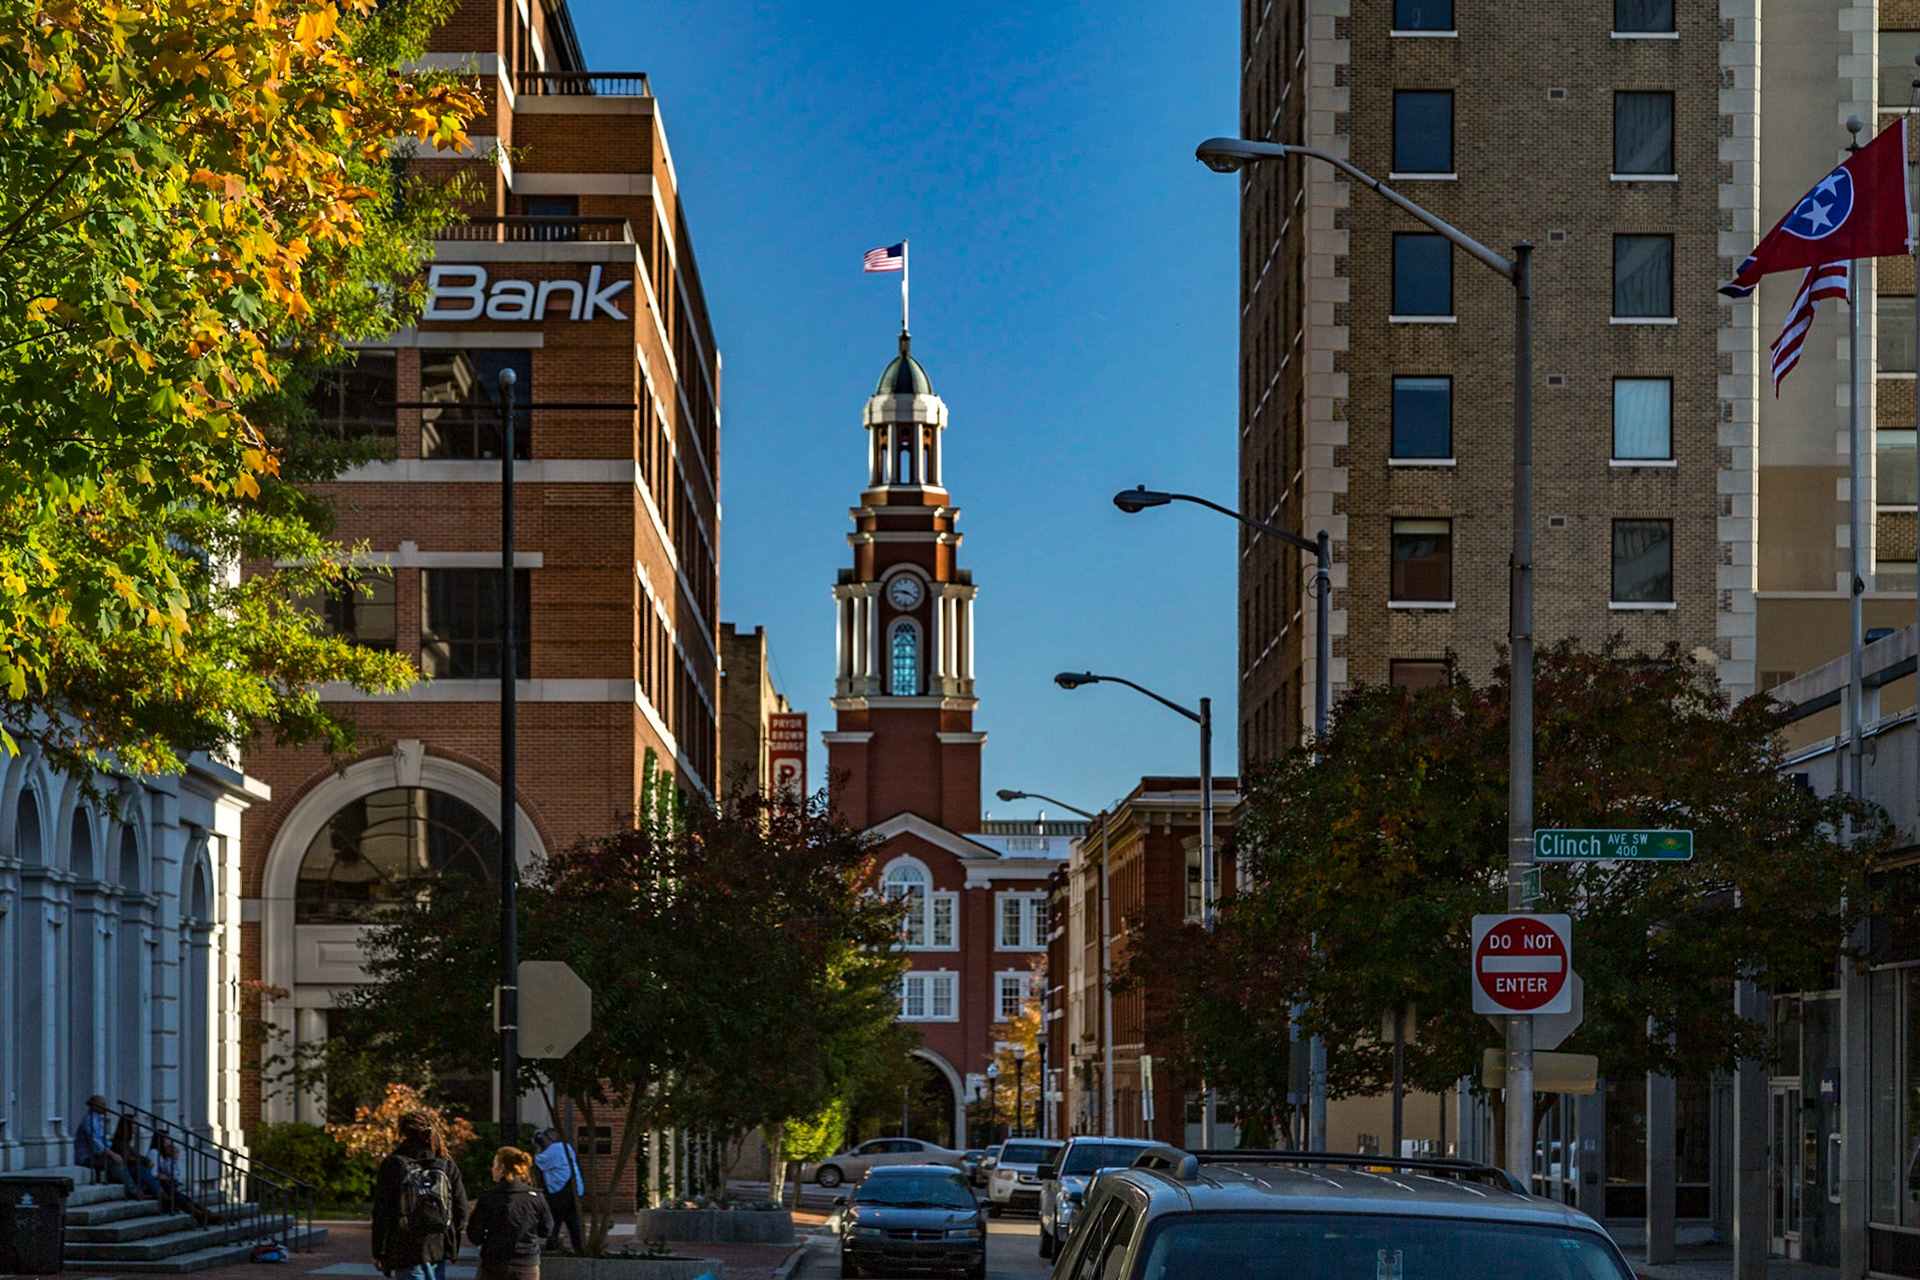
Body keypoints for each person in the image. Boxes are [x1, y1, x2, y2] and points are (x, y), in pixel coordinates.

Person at [371, 1111, 470, 1280]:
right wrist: (450, 1235)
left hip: (404, 1246)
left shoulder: (394, 1164)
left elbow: (382, 1211)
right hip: (438, 1245)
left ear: (403, 1132)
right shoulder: (445, 1165)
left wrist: (379, 1250)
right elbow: (461, 1209)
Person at [465, 1147, 553, 1280]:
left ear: (501, 1168)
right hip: (527, 1263)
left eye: (494, 1165)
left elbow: (474, 1234)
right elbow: (545, 1229)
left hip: (494, 1262)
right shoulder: (535, 1197)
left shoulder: (489, 1197)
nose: (492, 1169)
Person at [73, 1096, 141, 1199]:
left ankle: (135, 1188)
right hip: (86, 1157)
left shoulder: (97, 1120)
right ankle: (133, 1191)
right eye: (103, 1104)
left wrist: (115, 1149)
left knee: (121, 1158)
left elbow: (103, 1141)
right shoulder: (90, 1121)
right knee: (113, 1162)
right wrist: (112, 1154)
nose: (106, 1107)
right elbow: (96, 1143)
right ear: (95, 1106)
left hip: (95, 1155)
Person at [531, 1130, 583, 1253]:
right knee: (572, 1221)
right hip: (573, 1189)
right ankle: (578, 1247)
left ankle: (552, 1245)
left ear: (549, 1139)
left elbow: (538, 1161)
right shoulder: (566, 1147)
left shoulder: (554, 1150)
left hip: (559, 1191)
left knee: (555, 1219)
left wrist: (537, 1147)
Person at [151, 1134, 213, 1227]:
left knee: (182, 1196)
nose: (168, 1141)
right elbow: (153, 1173)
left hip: (166, 1182)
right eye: (166, 1139)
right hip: (159, 1183)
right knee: (177, 1196)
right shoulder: (154, 1153)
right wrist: (168, 1178)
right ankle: (198, 1214)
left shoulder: (164, 1154)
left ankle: (202, 1211)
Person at [110, 1116, 166, 1200]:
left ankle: (159, 1192)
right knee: (142, 1169)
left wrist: (146, 1160)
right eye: (134, 1123)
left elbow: (136, 1155)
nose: (136, 1126)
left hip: (128, 1169)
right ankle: (159, 1192)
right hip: (122, 1170)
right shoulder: (119, 1141)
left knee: (144, 1169)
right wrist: (145, 1162)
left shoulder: (128, 1141)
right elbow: (128, 1159)